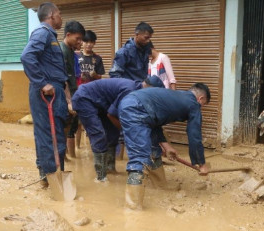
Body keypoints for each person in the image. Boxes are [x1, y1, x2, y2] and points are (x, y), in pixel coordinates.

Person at [118, 83, 211, 209]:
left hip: (133, 104)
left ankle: (161, 186)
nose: (200, 108)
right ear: (201, 99)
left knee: (153, 149)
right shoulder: (193, 104)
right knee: (140, 158)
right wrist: (201, 163)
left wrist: (167, 147)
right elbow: (195, 136)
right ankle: (132, 207)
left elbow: (154, 122)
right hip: (136, 108)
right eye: (203, 105)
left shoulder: (177, 96)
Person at [71, 76, 164, 181]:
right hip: (84, 99)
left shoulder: (136, 89)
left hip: (101, 104)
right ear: (149, 88)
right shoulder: (130, 90)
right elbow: (111, 114)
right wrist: (126, 130)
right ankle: (101, 177)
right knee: (98, 134)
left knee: (113, 134)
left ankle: (110, 169)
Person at [21, 2, 71, 187]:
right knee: (50, 135)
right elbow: (27, 56)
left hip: (53, 91)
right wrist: (43, 83)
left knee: (52, 133)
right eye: (59, 13)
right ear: (51, 15)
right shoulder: (43, 33)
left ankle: (48, 177)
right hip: (46, 93)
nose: (61, 17)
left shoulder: (50, 36)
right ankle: (52, 178)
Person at [59, 20, 85, 158]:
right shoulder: (62, 51)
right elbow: (63, 79)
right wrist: (69, 101)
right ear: (68, 35)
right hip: (64, 97)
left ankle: (65, 158)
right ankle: (61, 159)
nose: (80, 42)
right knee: (63, 129)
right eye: (78, 39)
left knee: (69, 127)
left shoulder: (71, 52)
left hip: (72, 95)